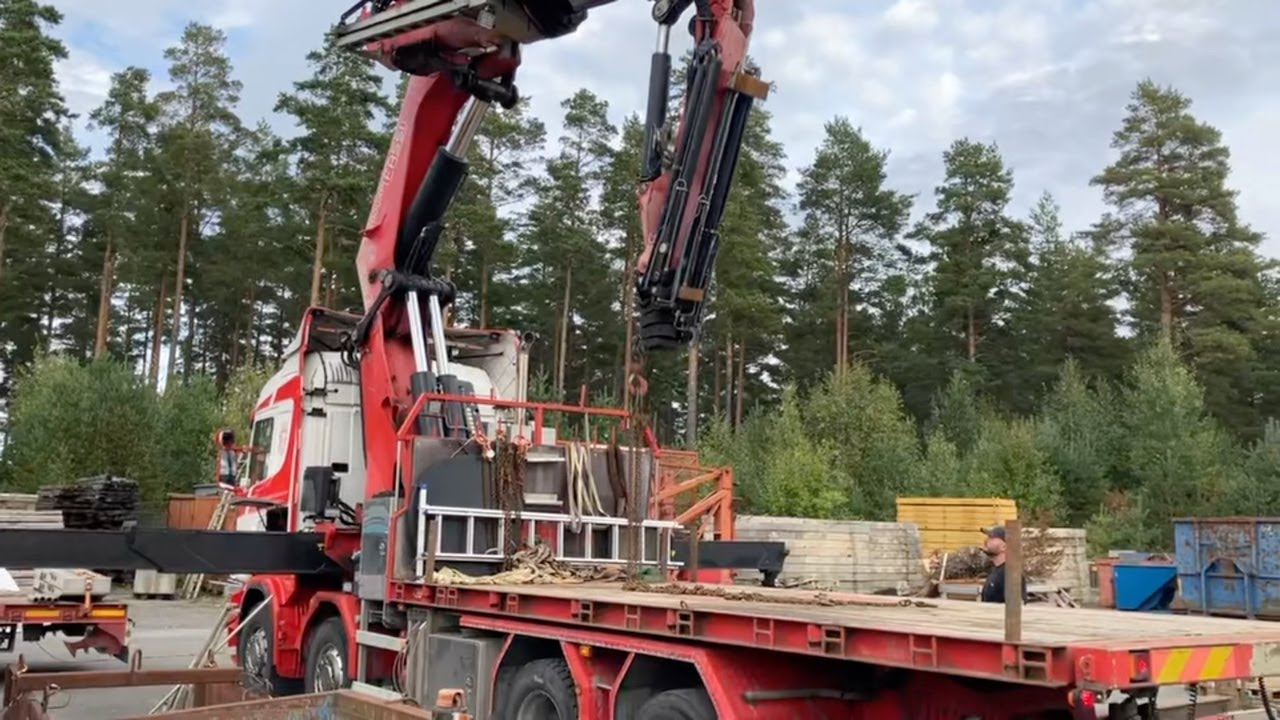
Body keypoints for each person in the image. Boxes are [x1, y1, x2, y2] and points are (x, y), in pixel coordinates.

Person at [979, 525, 1027, 603]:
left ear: (1004, 547)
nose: (986, 540)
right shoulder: (994, 570)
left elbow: (1015, 608)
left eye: (991, 537)